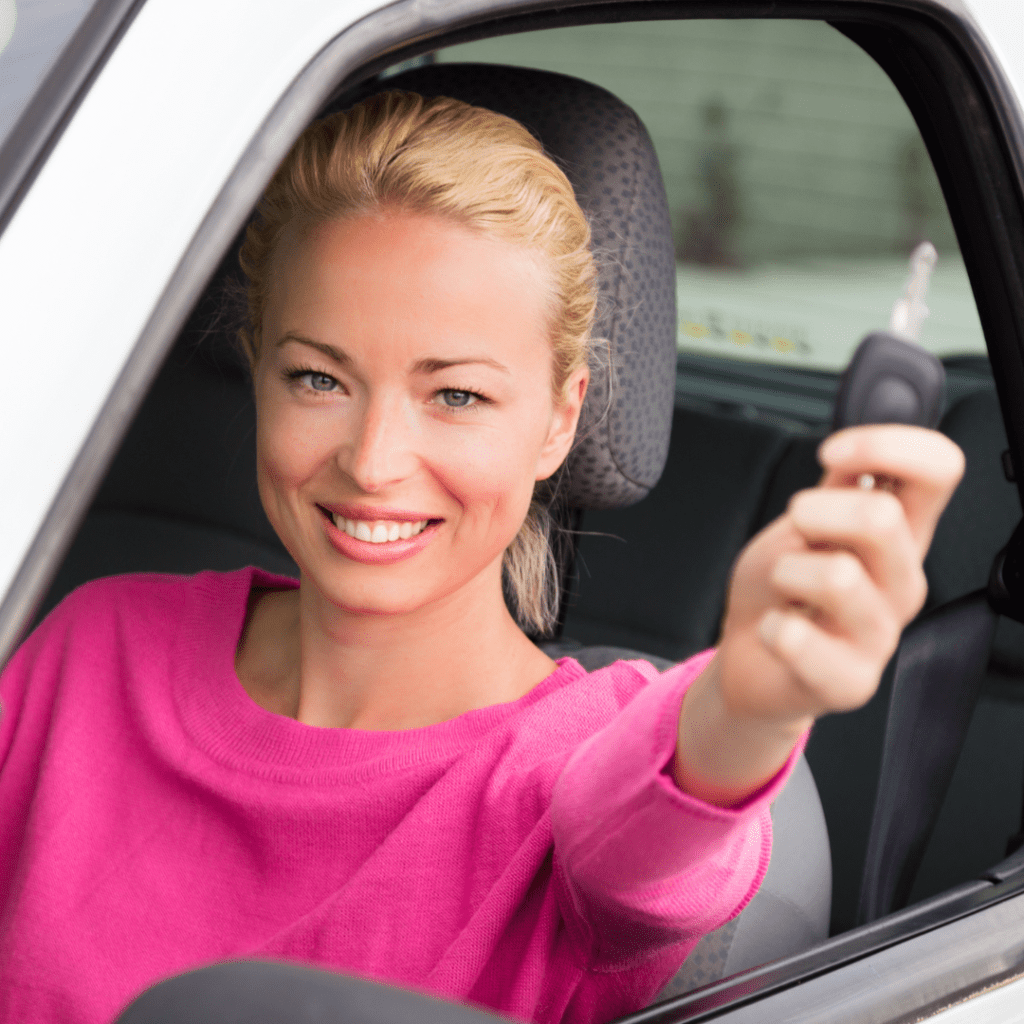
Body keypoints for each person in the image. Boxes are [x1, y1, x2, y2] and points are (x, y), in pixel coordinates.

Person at [0, 91, 964, 1024]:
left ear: (559, 419)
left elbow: (661, 824)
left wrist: (755, 698)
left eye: (455, 395)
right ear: (257, 372)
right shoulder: (94, 645)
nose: (372, 462)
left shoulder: (573, 769)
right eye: (318, 378)